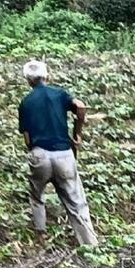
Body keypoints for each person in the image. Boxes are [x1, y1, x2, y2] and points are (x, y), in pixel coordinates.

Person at [17, 59, 98, 249]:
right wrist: (77, 134)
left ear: (28, 81)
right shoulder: (60, 94)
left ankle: (41, 240)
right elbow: (81, 106)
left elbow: (27, 139)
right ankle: (90, 246)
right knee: (76, 202)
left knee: (37, 197)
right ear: (47, 77)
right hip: (64, 155)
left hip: (40, 156)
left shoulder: (25, 103)